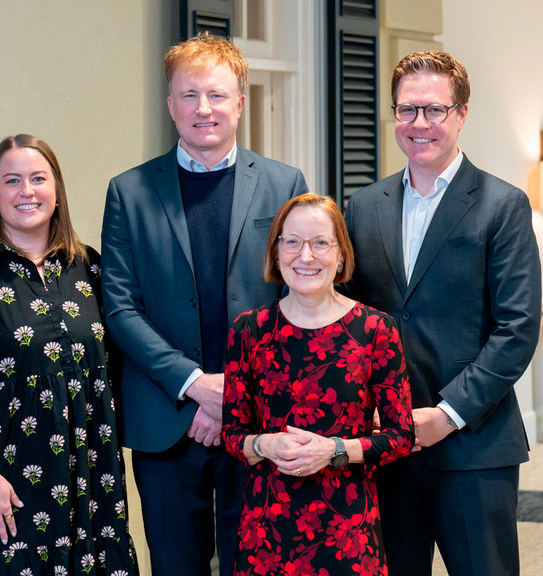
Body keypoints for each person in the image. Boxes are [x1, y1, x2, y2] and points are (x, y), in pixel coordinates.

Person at [100, 34, 308, 576]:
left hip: (261, 423)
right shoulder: (129, 192)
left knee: (260, 564)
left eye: (216, 95)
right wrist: (196, 387)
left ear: (240, 101)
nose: (203, 109)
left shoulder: (285, 185)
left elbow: (298, 300)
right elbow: (120, 308)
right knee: (174, 566)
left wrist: (231, 398)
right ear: (170, 105)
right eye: (188, 95)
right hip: (166, 420)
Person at [343, 51, 541, 576]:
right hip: (385, 443)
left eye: (434, 110)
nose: (420, 124)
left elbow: (517, 329)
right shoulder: (363, 207)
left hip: (473, 444)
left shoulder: (503, 205)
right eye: (407, 111)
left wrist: (447, 414)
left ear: (461, 114)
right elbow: (348, 320)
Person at [0, 134, 138, 575]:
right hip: (1, 484)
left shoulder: (90, 268)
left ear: (57, 190)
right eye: (12, 180)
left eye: (38, 178)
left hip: (86, 483)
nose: (27, 191)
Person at [221, 193, 416, 575]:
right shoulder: (249, 330)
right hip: (267, 531)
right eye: (291, 241)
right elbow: (231, 433)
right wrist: (263, 443)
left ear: (340, 254)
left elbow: (401, 436)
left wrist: (334, 450)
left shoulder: (376, 329)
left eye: (320, 243)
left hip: (348, 530)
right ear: (276, 253)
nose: (305, 256)